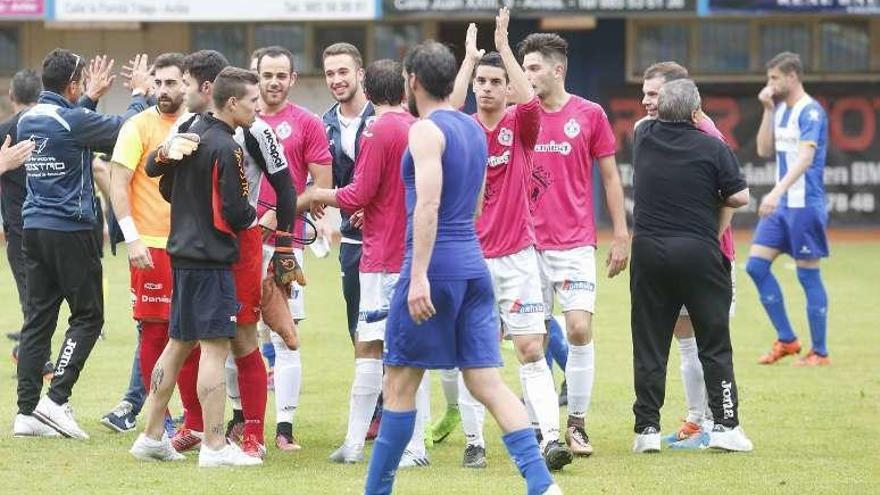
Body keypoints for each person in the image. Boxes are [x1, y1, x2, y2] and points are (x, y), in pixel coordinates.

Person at [363, 40, 561, 495]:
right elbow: (474, 204)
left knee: (398, 385)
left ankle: (375, 491)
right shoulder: (471, 130)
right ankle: (542, 485)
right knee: (487, 381)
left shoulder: (425, 131)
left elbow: (428, 204)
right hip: (474, 265)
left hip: (435, 268)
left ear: (412, 81)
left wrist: (417, 277)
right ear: (455, 77)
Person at [439, 10, 572, 471]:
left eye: (497, 81)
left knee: (531, 347)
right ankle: (474, 441)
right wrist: (469, 60)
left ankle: (552, 438)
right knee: (474, 352)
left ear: (508, 87)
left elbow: (533, 101)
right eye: (482, 80)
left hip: (517, 257)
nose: (489, 88)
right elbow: (443, 110)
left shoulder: (520, 125)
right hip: (470, 258)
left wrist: (505, 44)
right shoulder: (461, 129)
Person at [13, 48, 150, 439]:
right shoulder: (72, 120)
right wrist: (139, 92)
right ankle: (56, 400)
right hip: (70, 231)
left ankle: (25, 413)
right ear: (72, 85)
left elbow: (73, 127)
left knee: (38, 319)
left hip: (33, 230)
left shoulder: (30, 119)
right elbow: (125, 128)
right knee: (89, 317)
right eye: (81, 83)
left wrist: (88, 98)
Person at [130, 66, 262, 468]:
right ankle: (216, 445)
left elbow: (164, 184)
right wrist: (259, 215)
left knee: (177, 345)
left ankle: (152, 436)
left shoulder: (189, 134)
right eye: (253, 102)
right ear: (233, 103)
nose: (258, 109)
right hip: (211, 263)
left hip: (182, 258)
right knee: (214, 349)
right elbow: (238, 212)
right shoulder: (228, 146)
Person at [519, 32, 630, 457]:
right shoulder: (519, 117)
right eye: (524, 68)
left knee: (579, 328)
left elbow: (609, 176)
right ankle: (537, 427)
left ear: (557, 69)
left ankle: (577, 423)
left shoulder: (589, 114)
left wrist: (620, 233)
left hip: (574, 244)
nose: (526, 76)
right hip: (525, 247)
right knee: (533, 340)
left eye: (533, 68)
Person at [630, 78, 753, 453]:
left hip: (649, 251)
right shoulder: (713, 147)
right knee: (714, 342)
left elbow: (644, 120)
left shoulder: (643, 137)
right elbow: (740, 196)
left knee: (650, 343)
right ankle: (726, 426)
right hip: (698, 252)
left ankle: (646, 430)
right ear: (697, 112)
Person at [308, 59, 421, 466]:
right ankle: (381, 445)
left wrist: (314, 197)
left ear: (368, 92)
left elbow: (357, 193)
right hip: (409, 251)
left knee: (372, 346)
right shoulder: (417, 126)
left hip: (382, 255)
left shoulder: (376, 129)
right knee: (405, 349)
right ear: (405, 89)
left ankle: (379, 445)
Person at [99, 53, 191, 434]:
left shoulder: (197, 123)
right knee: (155, 334)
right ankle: (162, 418)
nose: (164, 90)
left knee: (195, 336)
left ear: (187, 83)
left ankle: (195, 421)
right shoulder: (138, 125)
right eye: (158, 83)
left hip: (194, 247)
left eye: (172, 82)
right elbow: (118, 183)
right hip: (151, 247)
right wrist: (132, 238)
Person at [255, 45, 333, 451]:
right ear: (256, 76)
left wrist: (276, 212)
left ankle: (285, 429)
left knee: (285, 336)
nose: (273, 82)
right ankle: (241, 422)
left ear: (292, 79)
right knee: (241, 336)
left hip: (285, 246)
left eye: (280, 75)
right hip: (241, 246)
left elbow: (320, 189)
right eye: (266, 74)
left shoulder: (307, 124)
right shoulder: (240, 122)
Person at [749, 52, 830, 367]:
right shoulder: (781, 110)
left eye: (774, 78)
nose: (770, 84)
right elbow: (763, 149)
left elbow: (805, 159)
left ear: (792, 76)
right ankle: (787, 339)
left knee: (808, 275)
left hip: (804, 206)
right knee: (756, 267)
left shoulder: (811, 112)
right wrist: (768, 110)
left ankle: (820, 352)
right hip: (782, 206)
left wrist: (776, 191)